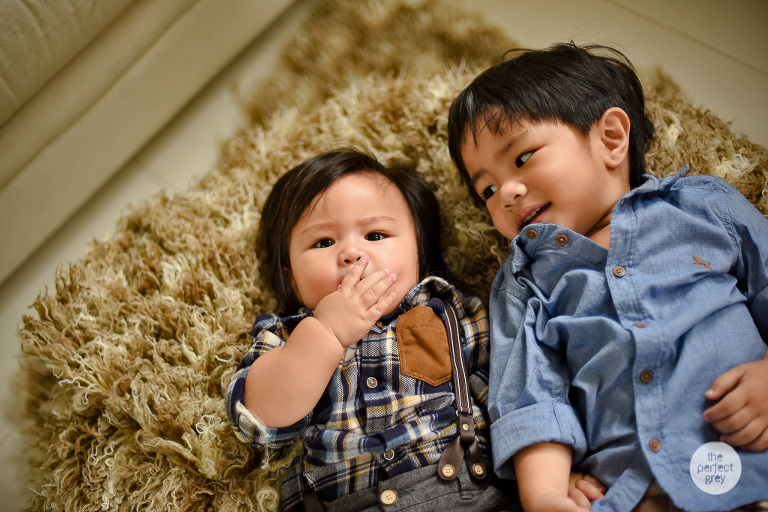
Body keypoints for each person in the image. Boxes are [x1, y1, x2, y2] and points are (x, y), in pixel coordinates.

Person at [447, 43, 768, 512]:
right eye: (487, 190)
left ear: (611, 139)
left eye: (522, 159)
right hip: (634, 493)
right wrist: (548, 495)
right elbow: (533, 397)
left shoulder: (701, 207)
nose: (508, 195)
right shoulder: (525, 280)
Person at [226, 149, 540, 511]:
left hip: (465, 491)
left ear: (418, 254)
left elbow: (513, 394)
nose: (351, 253)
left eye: (375, 234)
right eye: (323, 242)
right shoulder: (286, 335)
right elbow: (258, 422)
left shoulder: (450, 311)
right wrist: (326, 332)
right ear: (289, 275)